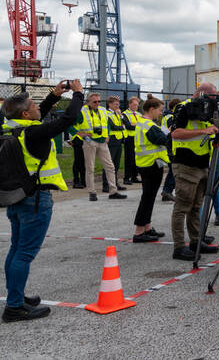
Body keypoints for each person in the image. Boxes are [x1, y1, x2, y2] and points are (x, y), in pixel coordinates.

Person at [1, 80, 84, 322]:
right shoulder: (34, 133)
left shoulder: (12, 128)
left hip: (17, 197)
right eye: (34, 105)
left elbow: (39, 118)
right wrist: (77, 94)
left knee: (16, 250)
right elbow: (67, 120)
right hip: (35, 200)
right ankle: (14, 308)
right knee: (24, 254)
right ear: (26, 113)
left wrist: (54, 95)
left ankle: (16, 296)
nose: (39, 107)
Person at [169, 84, 219, 261]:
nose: (214, 100)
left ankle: (196, 241)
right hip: (185, 164)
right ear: (202, 94)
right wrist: (203, 131)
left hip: (201, 164)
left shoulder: (206, 109)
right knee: (182, 206)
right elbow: (175, 133)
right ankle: (179, 247)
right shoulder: (185, 108)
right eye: (212, 96)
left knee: (196, 206)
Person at [69, 93, 126, 202]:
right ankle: (92, 192)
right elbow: (69, 124)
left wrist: (107, 134)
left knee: (110, 166)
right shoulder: (82, 112)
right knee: (90, 168)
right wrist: (78, 133)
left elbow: (107, 124)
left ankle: (113, 191)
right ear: (88, 102)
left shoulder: (103, 110)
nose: (97, 103)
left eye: (99, 101)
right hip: (90, 142)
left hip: (102, 142)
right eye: (95, 102)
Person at [132, 98, 169, 243]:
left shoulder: (144, 123)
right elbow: (162, 139)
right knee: (147, 198)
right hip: (151, 165)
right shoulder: (148, 125)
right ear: (152, 109)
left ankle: (147, 227)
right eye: (159, 110)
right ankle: (139, 232)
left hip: (147, 164)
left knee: (149, 197)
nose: (160, 113)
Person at [102, 96, 127, 194]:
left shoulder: (117, 113)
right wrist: (122, 127)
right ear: (110, 104)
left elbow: (125, 122)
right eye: (116, 104)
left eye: (118, 104)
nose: (118, 106)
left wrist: (121, 116)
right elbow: (113, 126)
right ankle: (106, 185)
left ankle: (115, 183)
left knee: (116, 164)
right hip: (111, 141)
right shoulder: (107, 114)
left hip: (118, 141)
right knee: (109, 164)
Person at [160, 98, 181, 202]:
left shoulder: (166, 116)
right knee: (173, 170)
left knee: (172, 169)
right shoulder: (171, 117)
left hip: (167, 145)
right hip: (171, 145)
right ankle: (167, 190)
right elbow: (171, 130)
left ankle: (166, 192)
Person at [122, 97, 141, 185]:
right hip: (129, 139)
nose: (136, 106)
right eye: (134, 105)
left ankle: (134, 176)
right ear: (129, 104)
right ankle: (126, 178)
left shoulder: (138, 114)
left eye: (137, 105)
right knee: (129, 159)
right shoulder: (125, 114)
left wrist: (135, 124)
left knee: (136, 158)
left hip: (137, 138)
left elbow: (142, 125)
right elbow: (128, 126)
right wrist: (137, 125)